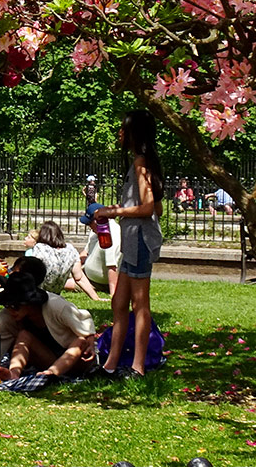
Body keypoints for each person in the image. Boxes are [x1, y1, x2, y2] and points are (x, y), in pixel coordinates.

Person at [95, 110, 165, 377]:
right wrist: (115, 209)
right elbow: (156, 205)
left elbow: (147, 208)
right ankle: (110, 364)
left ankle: (137, 367)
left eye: (123, 128)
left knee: (139, 304)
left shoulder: (140, 163)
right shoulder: (143, 163)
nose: (120, 133)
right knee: (118, 303)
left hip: (140, 240)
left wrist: (114, 213)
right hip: (131, 239)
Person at [0, 221, 102, 301]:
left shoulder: (40, 248)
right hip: (55, 294)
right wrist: (95, 298)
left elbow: (28, 273)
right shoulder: (71, 250)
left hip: (33, 292)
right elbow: (79, 277)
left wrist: (9, 274)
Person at [0, 273, 97, 380]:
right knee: (24, 335)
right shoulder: (9, 316)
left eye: (15, 306)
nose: (11, 310)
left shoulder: (56, 306)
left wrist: (91, 343)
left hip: (78, 359)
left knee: (80, 340)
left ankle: (51, 373)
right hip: (49, 360)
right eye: (7, 305)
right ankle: (14, 374)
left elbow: (85, 323)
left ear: (28, 302)